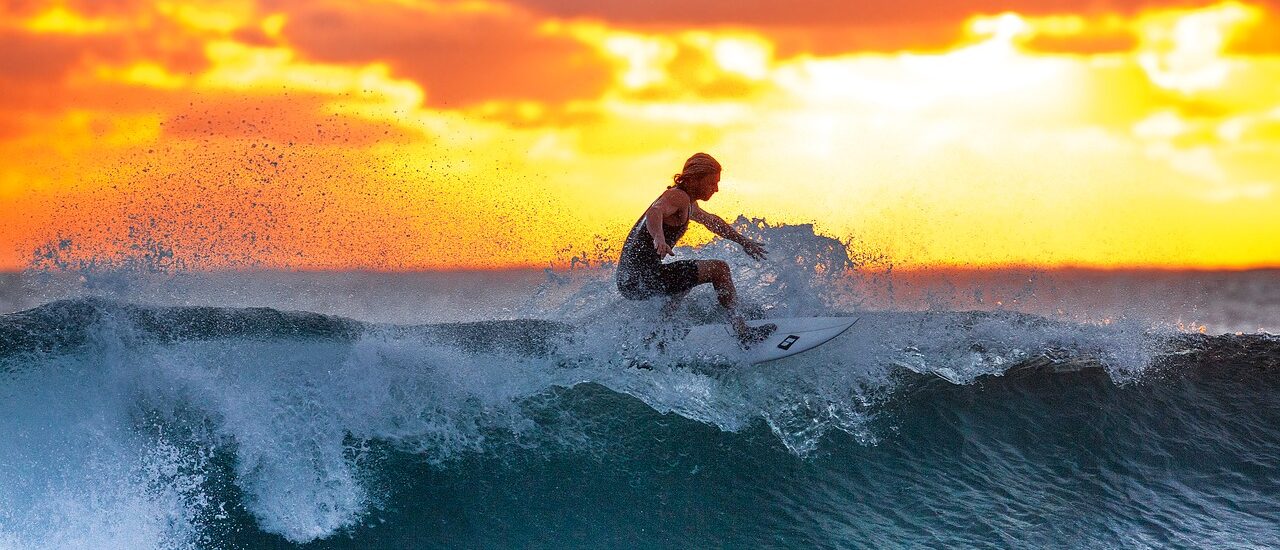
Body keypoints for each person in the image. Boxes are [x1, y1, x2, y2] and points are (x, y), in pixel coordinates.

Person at [616, 152, 776, 346]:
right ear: (693, 179)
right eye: (711, 183)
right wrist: (658, 237)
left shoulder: (688, 203)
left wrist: (743, 241)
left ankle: (656, 337)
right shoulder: (677, 196)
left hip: (630, 281)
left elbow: (713, 222)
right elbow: (655, 211)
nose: (715, 189)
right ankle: (742, 331)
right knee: (719, 269)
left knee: (687, 280)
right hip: (641, 278)